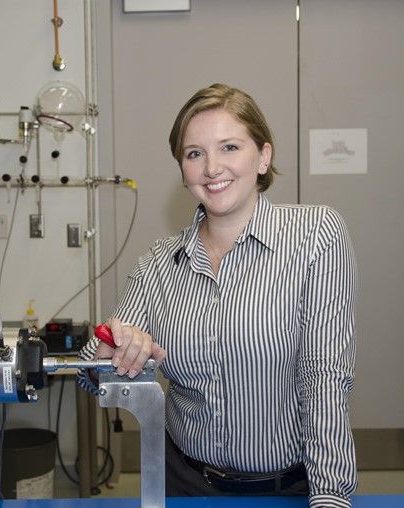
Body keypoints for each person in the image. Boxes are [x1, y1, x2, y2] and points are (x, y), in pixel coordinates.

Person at [78, 83, 357, 508]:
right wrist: (110, 347)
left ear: (263, 156)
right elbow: (93, 375)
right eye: (194, 154)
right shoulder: (160, 263)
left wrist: (330, 497)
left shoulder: (315, 236)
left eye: (229, 147)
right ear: (183, 169)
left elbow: (324, 377)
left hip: (290, 490)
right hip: (184, 484)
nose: (212, 167)